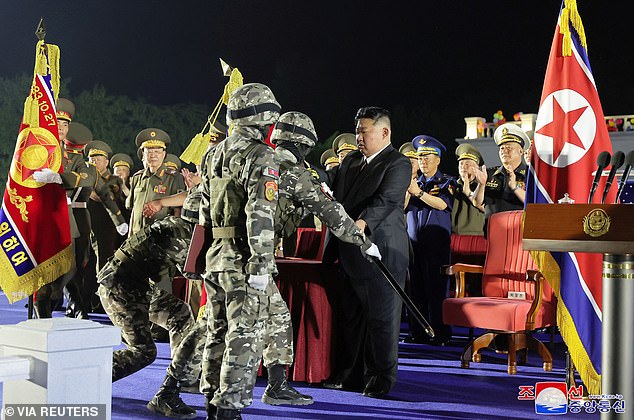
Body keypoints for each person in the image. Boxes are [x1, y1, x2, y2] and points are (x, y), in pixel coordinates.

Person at [197, 82, 282, 420]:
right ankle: (228, 409)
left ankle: (210, 399)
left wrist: (199, 257)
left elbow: (203, 212)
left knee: (216, 331)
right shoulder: (261, 155)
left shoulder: (213, 154)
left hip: (215, 257)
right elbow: (259, 214)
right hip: (243, 259)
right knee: (244, 336)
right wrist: (261, 264)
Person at [323, 106, 410, 398]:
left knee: (382, 320)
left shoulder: (397, 163)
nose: (359, 136)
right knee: (351, 317)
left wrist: (360, 223)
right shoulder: (350, 162)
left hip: (382, 252)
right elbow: (335, 196)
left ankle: (380, 379)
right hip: (349, 253)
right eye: (358, 130)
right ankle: (349, 375)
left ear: (384, 132)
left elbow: (386, 201)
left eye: (365, 131)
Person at [32, 99, 96, 319]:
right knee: (44, 268)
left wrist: (59, 178)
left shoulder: (70, 156)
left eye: (65, 124)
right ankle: (43, 308)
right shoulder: (37, 150)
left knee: (69, 269)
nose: (61, 127)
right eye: (56, 122)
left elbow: (88, 177)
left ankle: (52, 298)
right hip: (41, 217)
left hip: (66, 217)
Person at [402, 135, 454, 345]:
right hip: (414, 244)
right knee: (415, 289)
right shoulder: (414, 183)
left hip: (435, 245)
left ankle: (440, 333)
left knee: (436, 289)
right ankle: (417, 331)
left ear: (438, 159)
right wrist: (410, 187)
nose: (423, 160)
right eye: (420, 157)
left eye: (428, 156)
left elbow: (442, 205)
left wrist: (420, 193)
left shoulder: (445, 182)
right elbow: (402, 207)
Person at [472, 123, 529, 235]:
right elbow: (477, 203)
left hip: (520, 234)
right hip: (494, 234)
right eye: (501, 148)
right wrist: (481, 185)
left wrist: (514, 187)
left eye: (509, 147)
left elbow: (534, 203)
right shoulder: (489, 174)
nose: (504, 151)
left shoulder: (530, 174)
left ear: (521, 151)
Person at [451, 143, 485, 236]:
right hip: (453, 236)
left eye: (468, 164)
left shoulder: (483, 186)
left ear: (476, 168)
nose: (463, 167)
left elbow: (486, 209)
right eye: (461, 163)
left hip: (476, 236)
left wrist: (469, 193)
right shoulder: (451, 185)